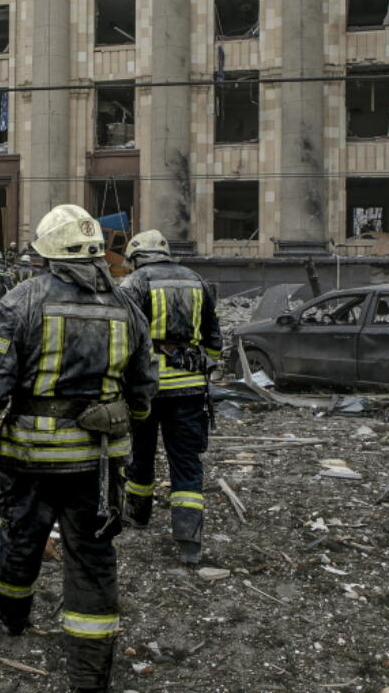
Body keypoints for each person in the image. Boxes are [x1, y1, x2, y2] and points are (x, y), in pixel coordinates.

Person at [0, 204, 158, 693]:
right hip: (98, 465)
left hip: (30, 457)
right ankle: (89, 674)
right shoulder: (126, 306)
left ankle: (9, 616)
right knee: (91, 557)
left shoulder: (21, 300)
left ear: (45, 253)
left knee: (22, 538)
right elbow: (144, 389)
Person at [118, 229, 223, 564]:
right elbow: (215, 341)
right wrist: (202, 368)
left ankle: (137, 515)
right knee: (187, 463)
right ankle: (189, 541)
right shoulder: (198, 281)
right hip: (190, 390)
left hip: (146, 389)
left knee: (141, 455)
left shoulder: (134, 284)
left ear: (136, 256)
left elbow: (120, 335)